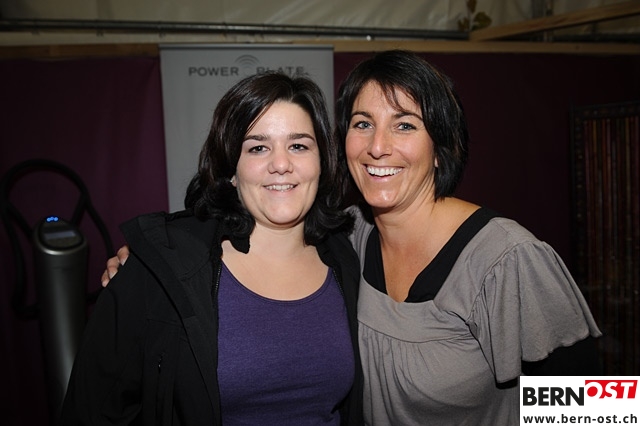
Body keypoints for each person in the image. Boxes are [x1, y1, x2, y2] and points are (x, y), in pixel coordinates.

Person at [102, 50, 602, 425]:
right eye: (363, 124)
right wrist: (152, 259)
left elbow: (596, 408)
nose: (378, 147)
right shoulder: (349, 237)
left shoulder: (505, 259)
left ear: (440, 147)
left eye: (404, 125)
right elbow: (253, 209)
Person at [61, 72, 364, 425]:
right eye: (258, 147)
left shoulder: (347, 258)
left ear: (322, 161)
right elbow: (93, 409)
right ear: (231, 170)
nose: (281, 164)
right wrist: (145, 264)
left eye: (298, 146)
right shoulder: (163, 269)